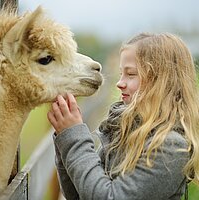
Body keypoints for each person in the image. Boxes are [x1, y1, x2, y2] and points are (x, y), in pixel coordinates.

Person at [47, 33, 199, 200]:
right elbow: (79, 194)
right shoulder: (122, 131)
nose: (120, 83)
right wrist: (66, 136)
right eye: (121, 73)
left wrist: (74, 137)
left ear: (162, 82)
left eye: (131, 74)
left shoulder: (170, 147)